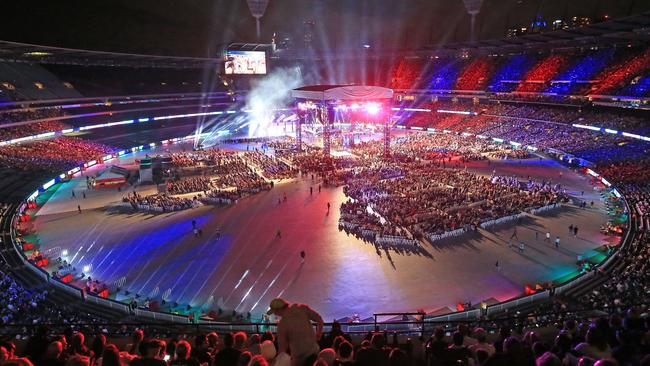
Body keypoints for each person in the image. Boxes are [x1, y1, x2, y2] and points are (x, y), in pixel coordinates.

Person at [266, 298, 324, 366]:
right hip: (315, 352)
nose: (275, 314)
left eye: (274, 312)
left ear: (278, 309)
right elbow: (319, 319)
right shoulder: (302, 308)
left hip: (299, 360)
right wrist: (318, 333)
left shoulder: (282, 324)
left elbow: (282, 349)